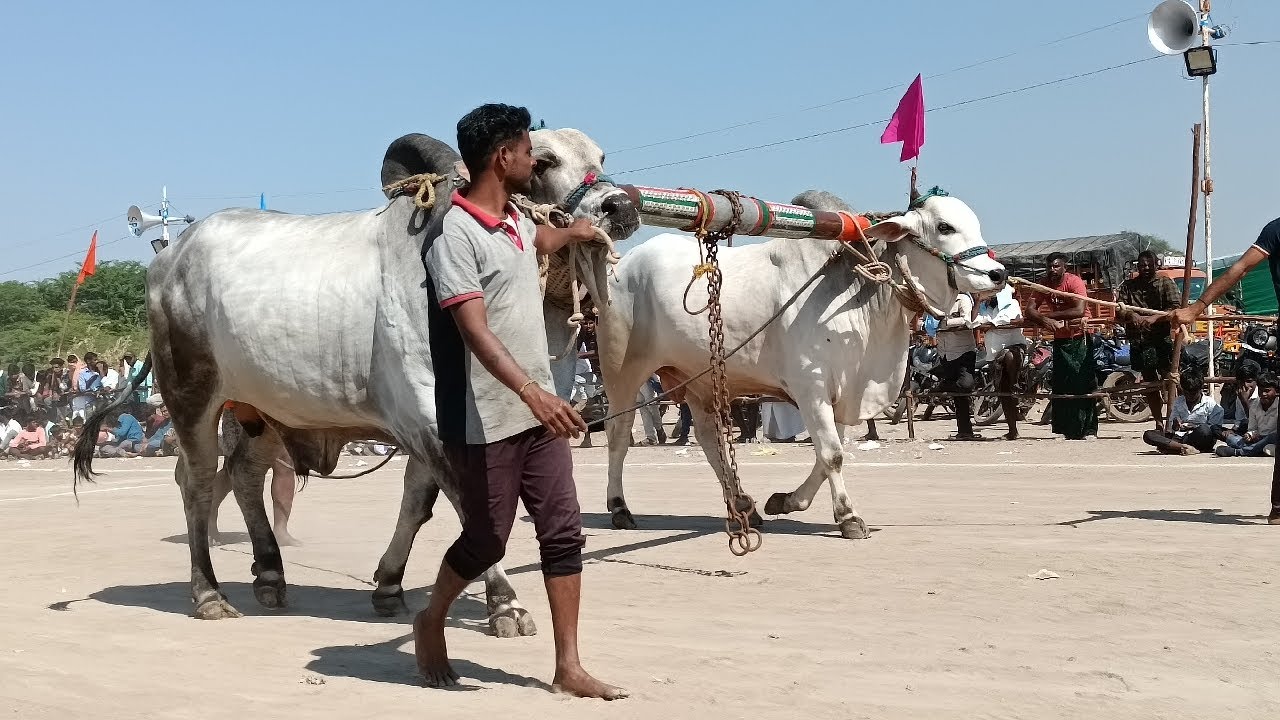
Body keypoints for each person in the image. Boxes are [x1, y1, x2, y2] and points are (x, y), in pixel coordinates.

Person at [417, 103, 624, 699]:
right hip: (485, 416)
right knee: (487, 539)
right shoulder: (452, 236)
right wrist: (534, 393)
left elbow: (538, 237)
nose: (534, 160)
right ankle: (431, 618)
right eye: (529, 150)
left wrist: (574, 233)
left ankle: (569, 666)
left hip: (539, 410)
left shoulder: (511, 220)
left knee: (563, 533)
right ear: (504, 158)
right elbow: (475, 331)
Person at [1170, 217, 1280, 521]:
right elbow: (1239, 269)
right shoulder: (1276, 230)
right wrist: (1195, 308)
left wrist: (1194, 309)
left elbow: (1240, 268)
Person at [1026, 252, 1097, 440]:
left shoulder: (1074, 282)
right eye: (1049, 266)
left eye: (1056, 266)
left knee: (1083, 381)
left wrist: (1050, 318)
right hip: (1060, 339)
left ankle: (1088, 430)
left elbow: (1079, 310)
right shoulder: (1043, 283)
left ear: (1064, 267)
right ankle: (1062, 430)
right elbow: (1030, 310)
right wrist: (1043, 319)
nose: (1052, 270)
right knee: (1061, 383)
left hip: (1080, 337)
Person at [1115, 250, 1181, 429]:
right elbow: (1119, 309)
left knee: (1170, 379)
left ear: (1155, 265)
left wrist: (1154, 319)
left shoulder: (1165, 282)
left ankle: (1174, 419)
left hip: (1160, 339)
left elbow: (1176, 308)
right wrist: (1131, 314)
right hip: (1139, 341)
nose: (1145, 268)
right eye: (1142, 265)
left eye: (1148, 265)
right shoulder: (1129, 286)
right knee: (1149, 382)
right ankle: (1159, 421)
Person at [973, 285, 1029, 440]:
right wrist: (977, 302)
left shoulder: (1012, 304)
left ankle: (1015, 382)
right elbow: (974, 321)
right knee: (1004, 393)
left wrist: (989, 324)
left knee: (1009, 356)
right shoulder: (986, 308)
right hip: (994, 353)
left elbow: (1005, 320)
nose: (988, 298)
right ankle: (1012, 430)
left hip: (1014, 347)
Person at [1140, 370, 1222, 455]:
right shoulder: (1178, 401)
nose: (1190, 396)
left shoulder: (1211, 405)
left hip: (1199, 437)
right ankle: (1182, 447)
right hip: (1180, 437)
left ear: (1200, 389)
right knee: (1149, 435)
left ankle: (1172, 447)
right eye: (1187, 393)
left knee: (1204, 430)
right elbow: (1172, 428)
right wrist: (1175, 425)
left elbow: (1215, 430)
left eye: (1193, 393)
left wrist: (1193, 427)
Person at [935, 293, 981, 440]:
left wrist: (945, 322)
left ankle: (942, 386)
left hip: (963, 350)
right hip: (944, 350)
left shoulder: (963, 299)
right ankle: (965, 431)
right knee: (958, 395)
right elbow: (927, 319)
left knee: (966, 385)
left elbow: (966, 319)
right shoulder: (937, 299)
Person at [1215, 373, 1279, 458]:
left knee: (1272, 437)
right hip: (1259, 440)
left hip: (1275, 440)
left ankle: (1239, 452)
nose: (1263, 394)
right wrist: (1250, 435)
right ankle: (1256, 450)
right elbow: (1252, 428)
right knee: (1232, 439)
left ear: (1277, 392)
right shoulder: (1255, 405)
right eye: (1260, 390)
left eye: (1267, 391)